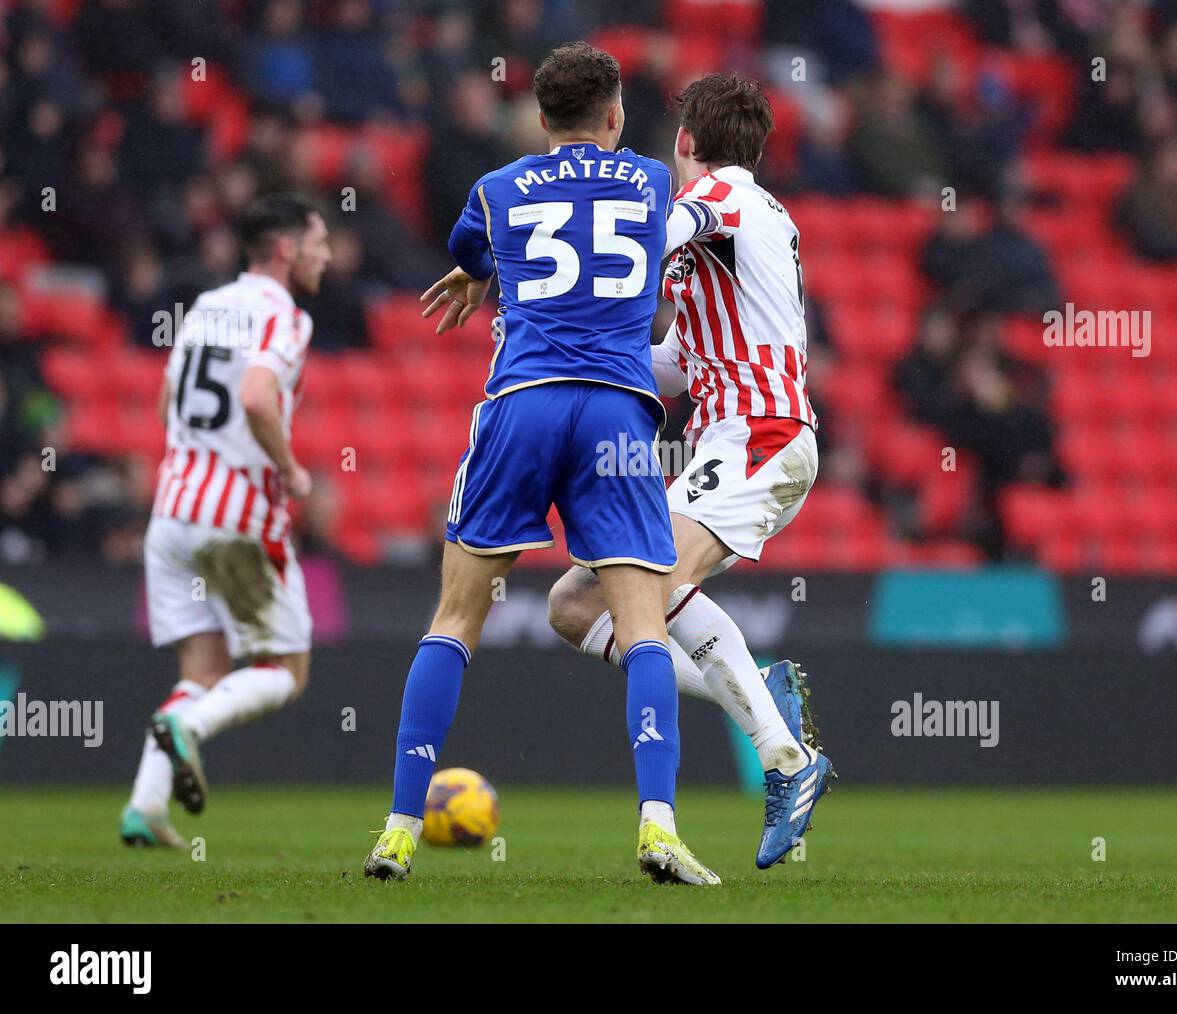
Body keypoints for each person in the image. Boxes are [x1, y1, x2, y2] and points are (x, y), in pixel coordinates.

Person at [364, 43, 729, 885]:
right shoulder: (650, 181)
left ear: (539, 119)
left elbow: (478, 250)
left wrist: (475, 271)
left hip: (521, 406)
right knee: (643, 625)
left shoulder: (495, 189)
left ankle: (397, 829)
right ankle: (659, 827)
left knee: (454, 619)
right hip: (616, 414)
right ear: (615, 116)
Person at [546, 73, 833, 869]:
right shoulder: (738, 225)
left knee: (651, 585)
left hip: (761, 436)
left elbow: (656, 232)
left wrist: (558, 276)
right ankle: (768, 710)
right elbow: (676, 365)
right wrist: (587, 363)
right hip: (723, 441)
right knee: (574, 605)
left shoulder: (729, 202)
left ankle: (785, 757)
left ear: (686, 144)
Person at [121, 194, 330, 847]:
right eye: (319, 241)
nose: (327, 254)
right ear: (287, 248)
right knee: (283, 671)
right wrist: (291, 470)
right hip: (237, 512)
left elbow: (163, 406)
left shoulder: (205, 307)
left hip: (173, 511)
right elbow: (255, 395)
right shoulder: (286, 318)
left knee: (203, 674)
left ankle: (146, 810)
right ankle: (191, 731)